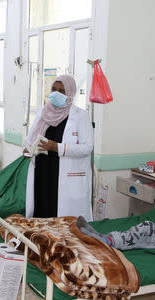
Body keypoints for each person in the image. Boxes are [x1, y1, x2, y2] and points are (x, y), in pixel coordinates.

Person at [24, 75, 94, 221]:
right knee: (41, 211)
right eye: (54, 90)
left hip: (63, 174)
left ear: (70, 93)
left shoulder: (80, 116)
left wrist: (57, 147)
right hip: (42, 172)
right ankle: (40, 241)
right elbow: (30, 139)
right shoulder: (43, 113)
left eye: (62, 91)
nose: (56, 94)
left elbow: (87, 148)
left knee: (61, 219)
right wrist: (27, 149)